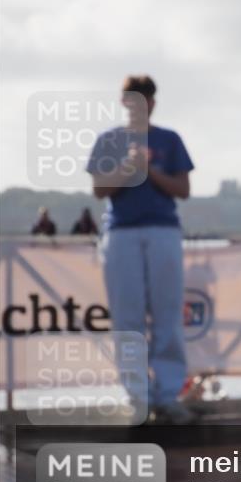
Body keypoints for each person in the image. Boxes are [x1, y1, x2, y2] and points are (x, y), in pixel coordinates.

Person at [86, 75, 196, 424]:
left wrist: (151, 172)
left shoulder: (169, 139)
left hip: (163, 231)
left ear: (152, 102)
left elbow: (183, 189)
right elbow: (101, 189)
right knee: (128, 318)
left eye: (143, 98)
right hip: (122, 233)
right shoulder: (110, 140)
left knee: (167, 316)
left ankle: (167, 395)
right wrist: (129, 169)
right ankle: (138, 397)